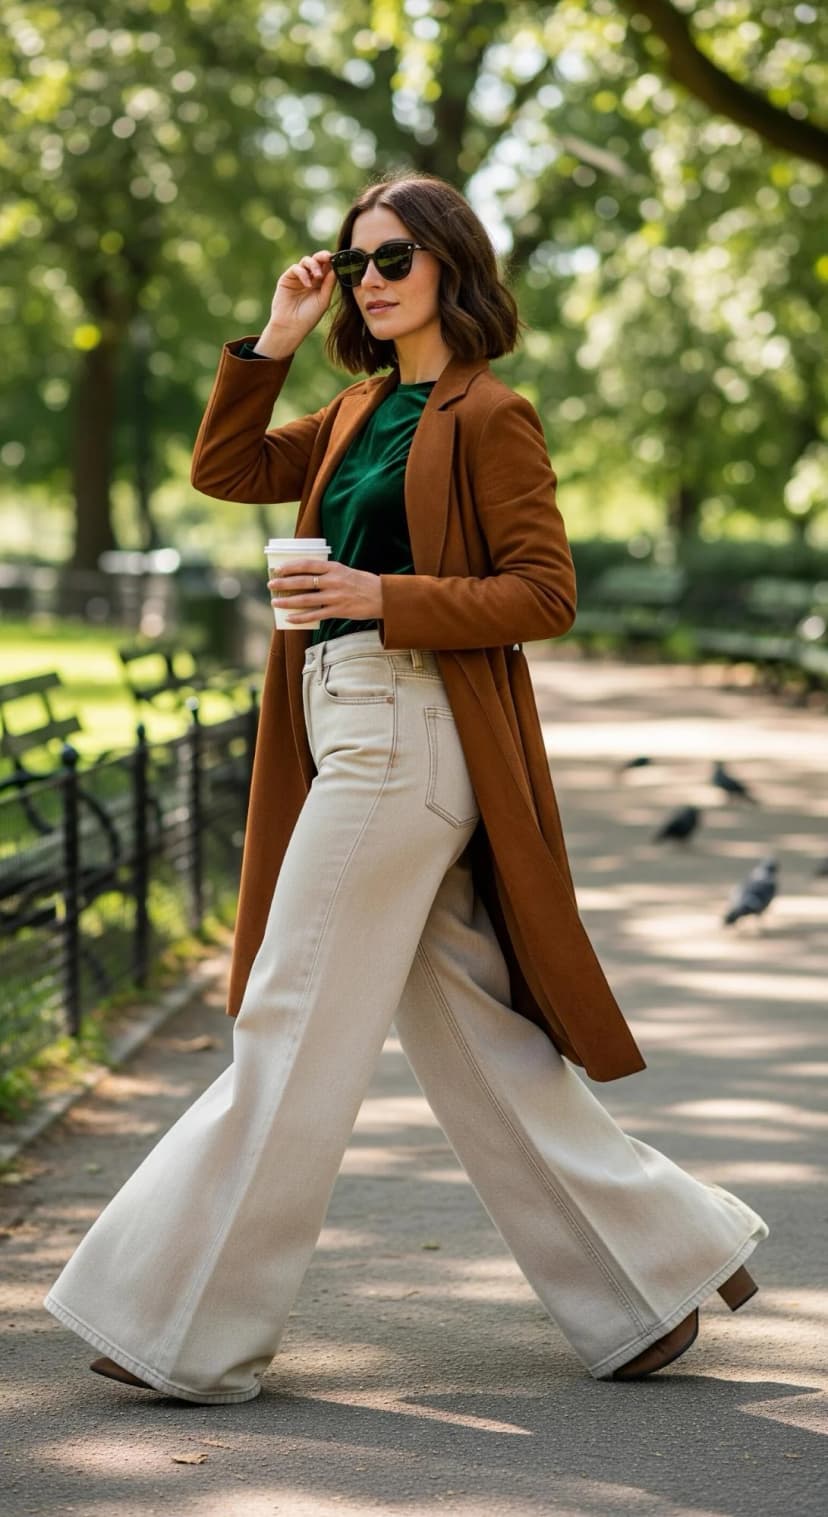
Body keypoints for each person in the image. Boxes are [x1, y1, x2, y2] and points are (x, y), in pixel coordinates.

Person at [43, 172, 767, 1403]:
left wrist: (383, 596)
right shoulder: (356, 408)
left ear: (449, 265)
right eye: (355, 260)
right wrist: (275, 337)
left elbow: (546, 590)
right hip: (343, 723)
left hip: (409, 731)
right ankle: (652, 1276)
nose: (370, 280)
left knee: (289, 1012)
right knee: (474, 1035)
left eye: (394, 259)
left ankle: (182, 1324)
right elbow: (226, 467)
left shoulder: (494, 414)